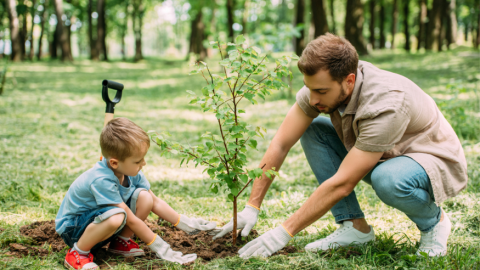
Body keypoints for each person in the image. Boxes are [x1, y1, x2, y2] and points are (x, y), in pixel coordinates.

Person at [213, 33, 467, 258]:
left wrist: (283, 232)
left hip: (428, 158)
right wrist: (252, 206)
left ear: (349, 80)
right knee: (314, 131)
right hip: (383, 151)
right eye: (309, 88)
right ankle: (354, 228)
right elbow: (281, 142)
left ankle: (434, 223)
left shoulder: (386, 103)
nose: (313, 99)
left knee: (387, 179)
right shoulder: (320, 87)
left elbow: (344, 183)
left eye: (321, 91)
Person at [56, 117, 216, 269]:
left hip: (98, 223)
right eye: (138, 161)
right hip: (74, 229)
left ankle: (120, 242)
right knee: (117, 216)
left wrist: (187, 224)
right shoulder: (101, 179)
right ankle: (77, 252)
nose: (143, 163)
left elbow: (155, 201)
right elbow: (130, 219)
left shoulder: (130, 171)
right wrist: (163, 249)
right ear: (114, 162)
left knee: (145, 198)